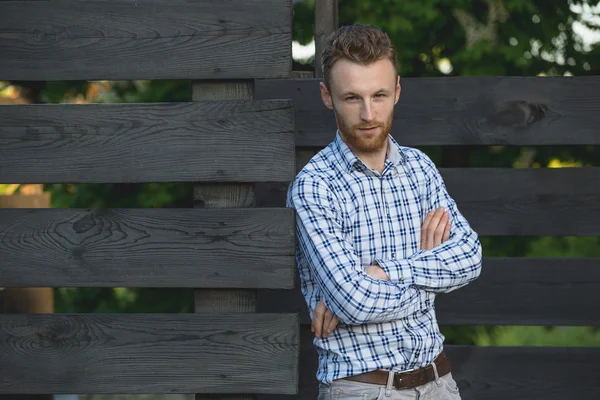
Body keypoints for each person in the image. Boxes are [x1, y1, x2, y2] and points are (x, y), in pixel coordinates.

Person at [286, 24, 482, 400]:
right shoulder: (315, 186)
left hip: (441, 384)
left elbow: (469, 259)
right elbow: (354, 301)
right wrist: (429, 272)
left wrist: (384, 272)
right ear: (327, 96)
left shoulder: (420, 168)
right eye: (352, 98)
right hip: (364, 390)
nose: (367, 112)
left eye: (379, 95)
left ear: (397, 91)